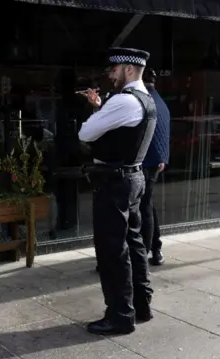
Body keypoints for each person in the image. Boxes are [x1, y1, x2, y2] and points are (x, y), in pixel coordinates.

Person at [78, 47, 156, 335]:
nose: (110, 74)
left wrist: (99, 113)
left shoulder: (123, 101)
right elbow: (122, 132)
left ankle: (120, 315)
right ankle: (141, 306)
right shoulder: (144, 99)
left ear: (129, 70)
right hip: (133, 178)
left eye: (114, 69)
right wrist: (101, 108)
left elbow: (85, 134)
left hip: (115, 183)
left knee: (112, 250)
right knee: (134, 244)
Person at [141, 68, 169, 266]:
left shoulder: (145, 102)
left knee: (143, 208)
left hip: (145, 162)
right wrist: (163, 158)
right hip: (155, 161)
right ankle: (156, 249)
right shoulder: (161, 102)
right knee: (148, 206)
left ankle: (145, 251)